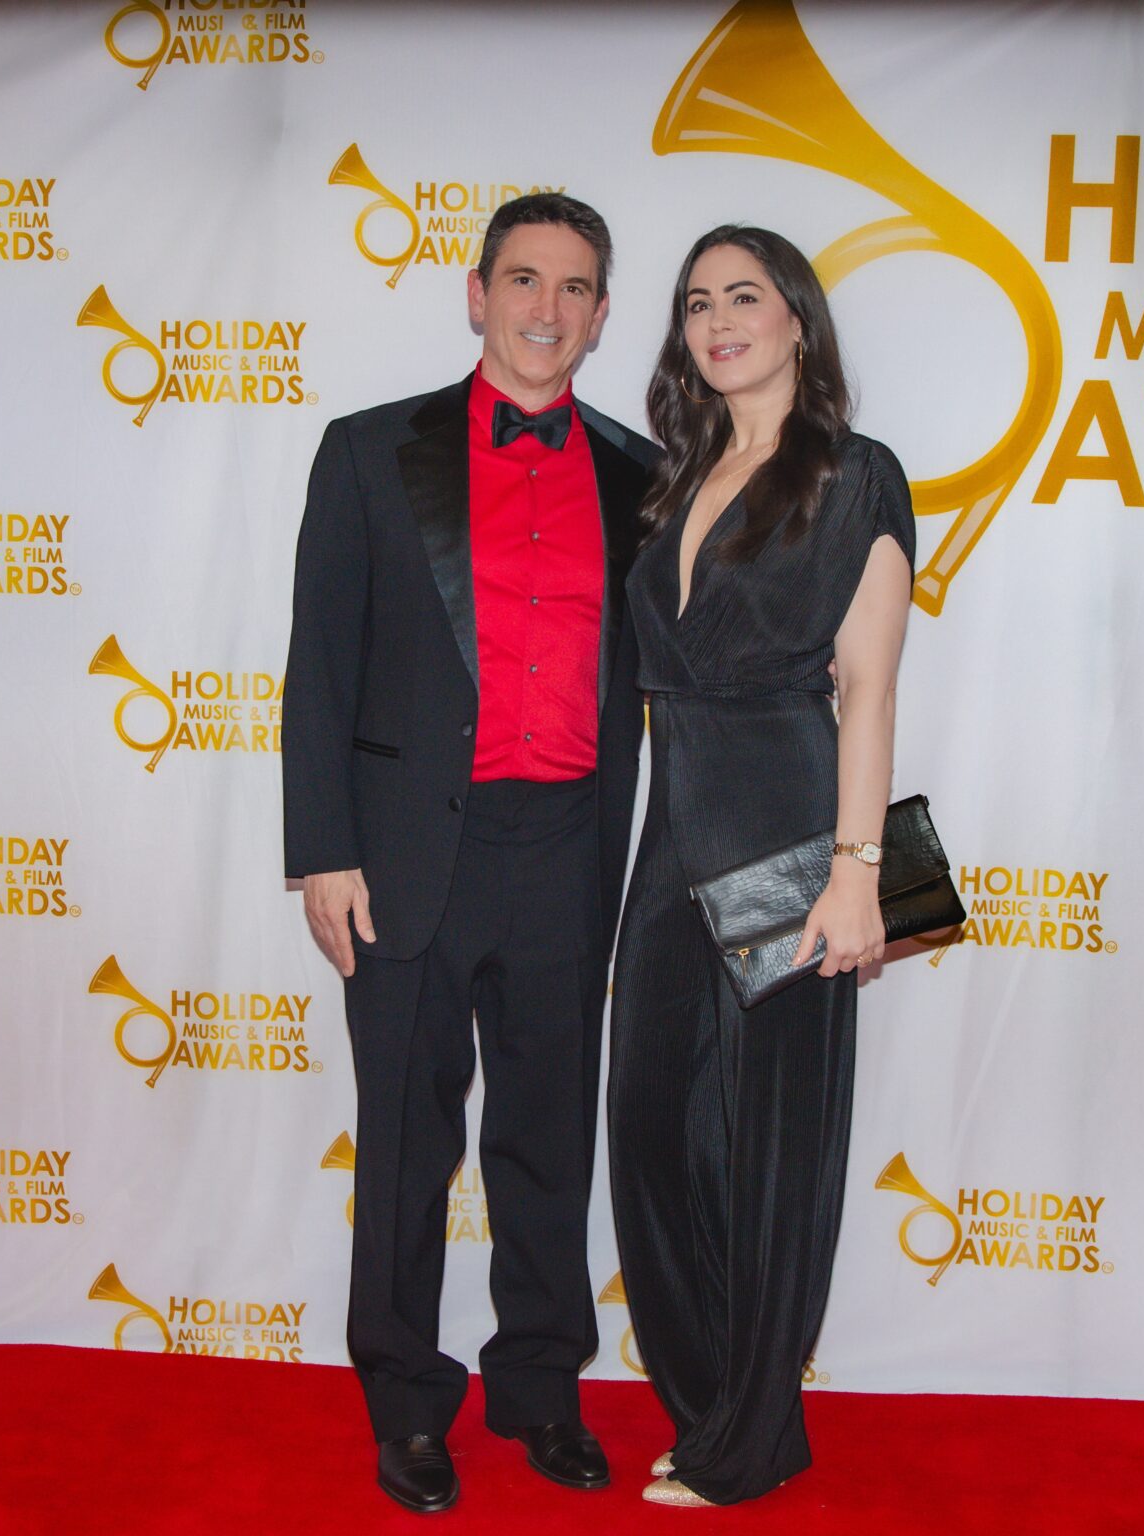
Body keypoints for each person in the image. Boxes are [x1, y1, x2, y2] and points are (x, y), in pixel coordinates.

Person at [282, 193, 656, 1515]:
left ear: (603, 315)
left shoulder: (640, 471)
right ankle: (403, 1406)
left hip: (568, 844)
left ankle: (542, 1392)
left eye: (573, 288)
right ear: (476, 290)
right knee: (404, 1144)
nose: (545, 308)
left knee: (547, 1137)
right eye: (523, 278)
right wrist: (321, 851)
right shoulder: (368, 452)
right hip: (402, 855)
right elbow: (318, 665)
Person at [607, 225, 915, 1507]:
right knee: (654, 1132)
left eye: (746, 296)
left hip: (792, 826)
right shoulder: (669, 480)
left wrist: (859, 875)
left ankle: (753, 1438)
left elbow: (870, 690)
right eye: (696, 304)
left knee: (769, 1146)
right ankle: (705, 1398)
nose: (719, 320)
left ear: (798, 318)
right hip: (671, 829)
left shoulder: (853, 475)